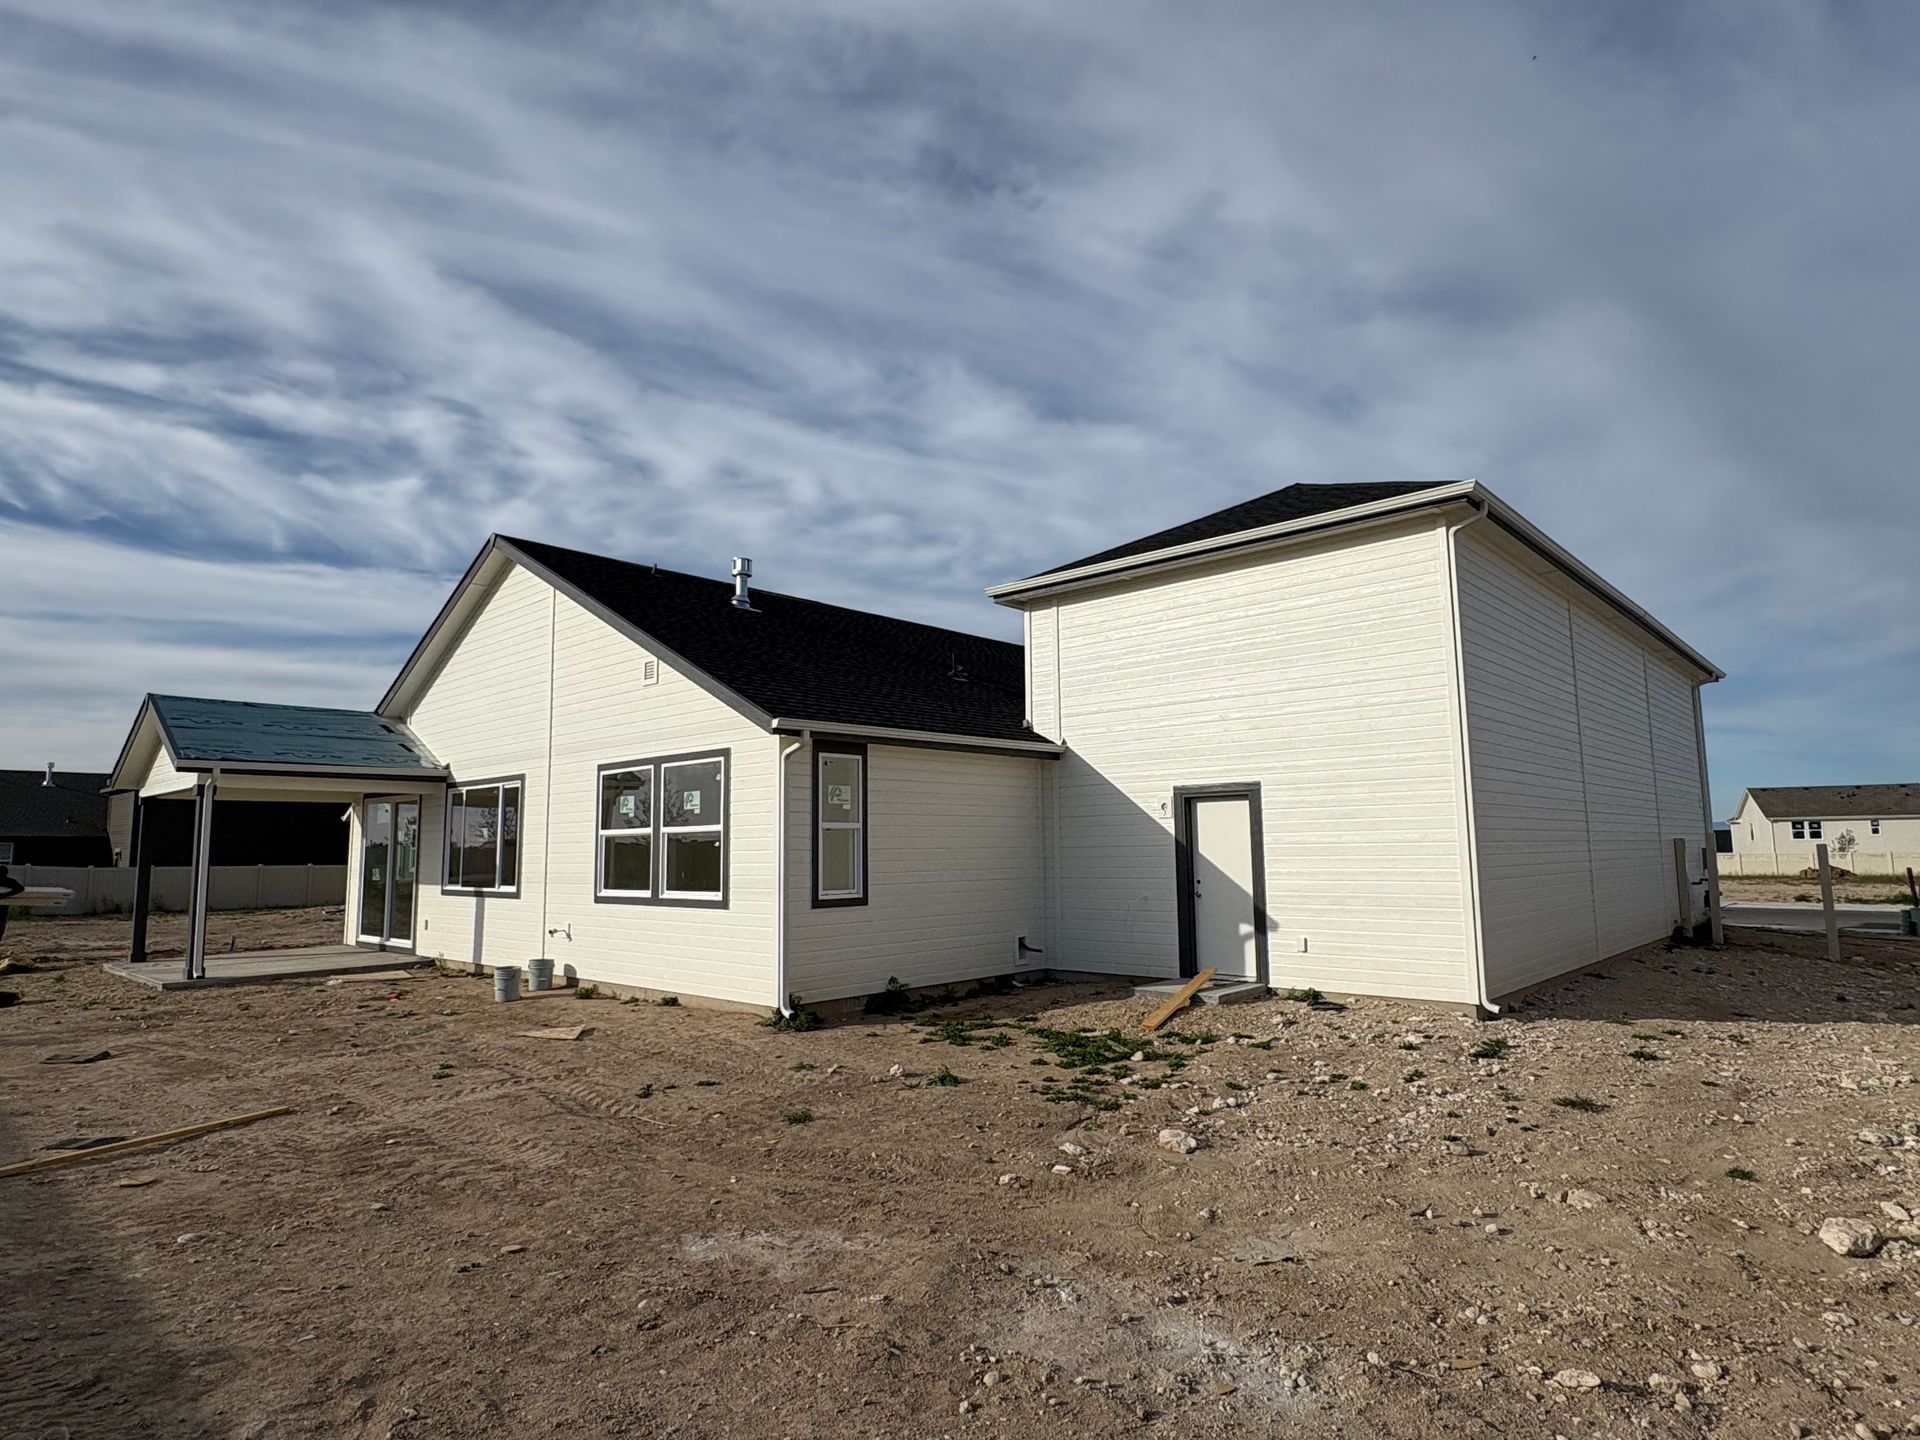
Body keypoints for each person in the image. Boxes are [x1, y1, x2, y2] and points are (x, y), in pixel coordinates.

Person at [0, 864, 22, 948]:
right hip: (3, 909)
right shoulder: (9, 881)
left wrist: (5, 895)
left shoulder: (9, 881)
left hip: (2, 909)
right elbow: (20, 888)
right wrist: (6, 895)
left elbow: (20, 888)